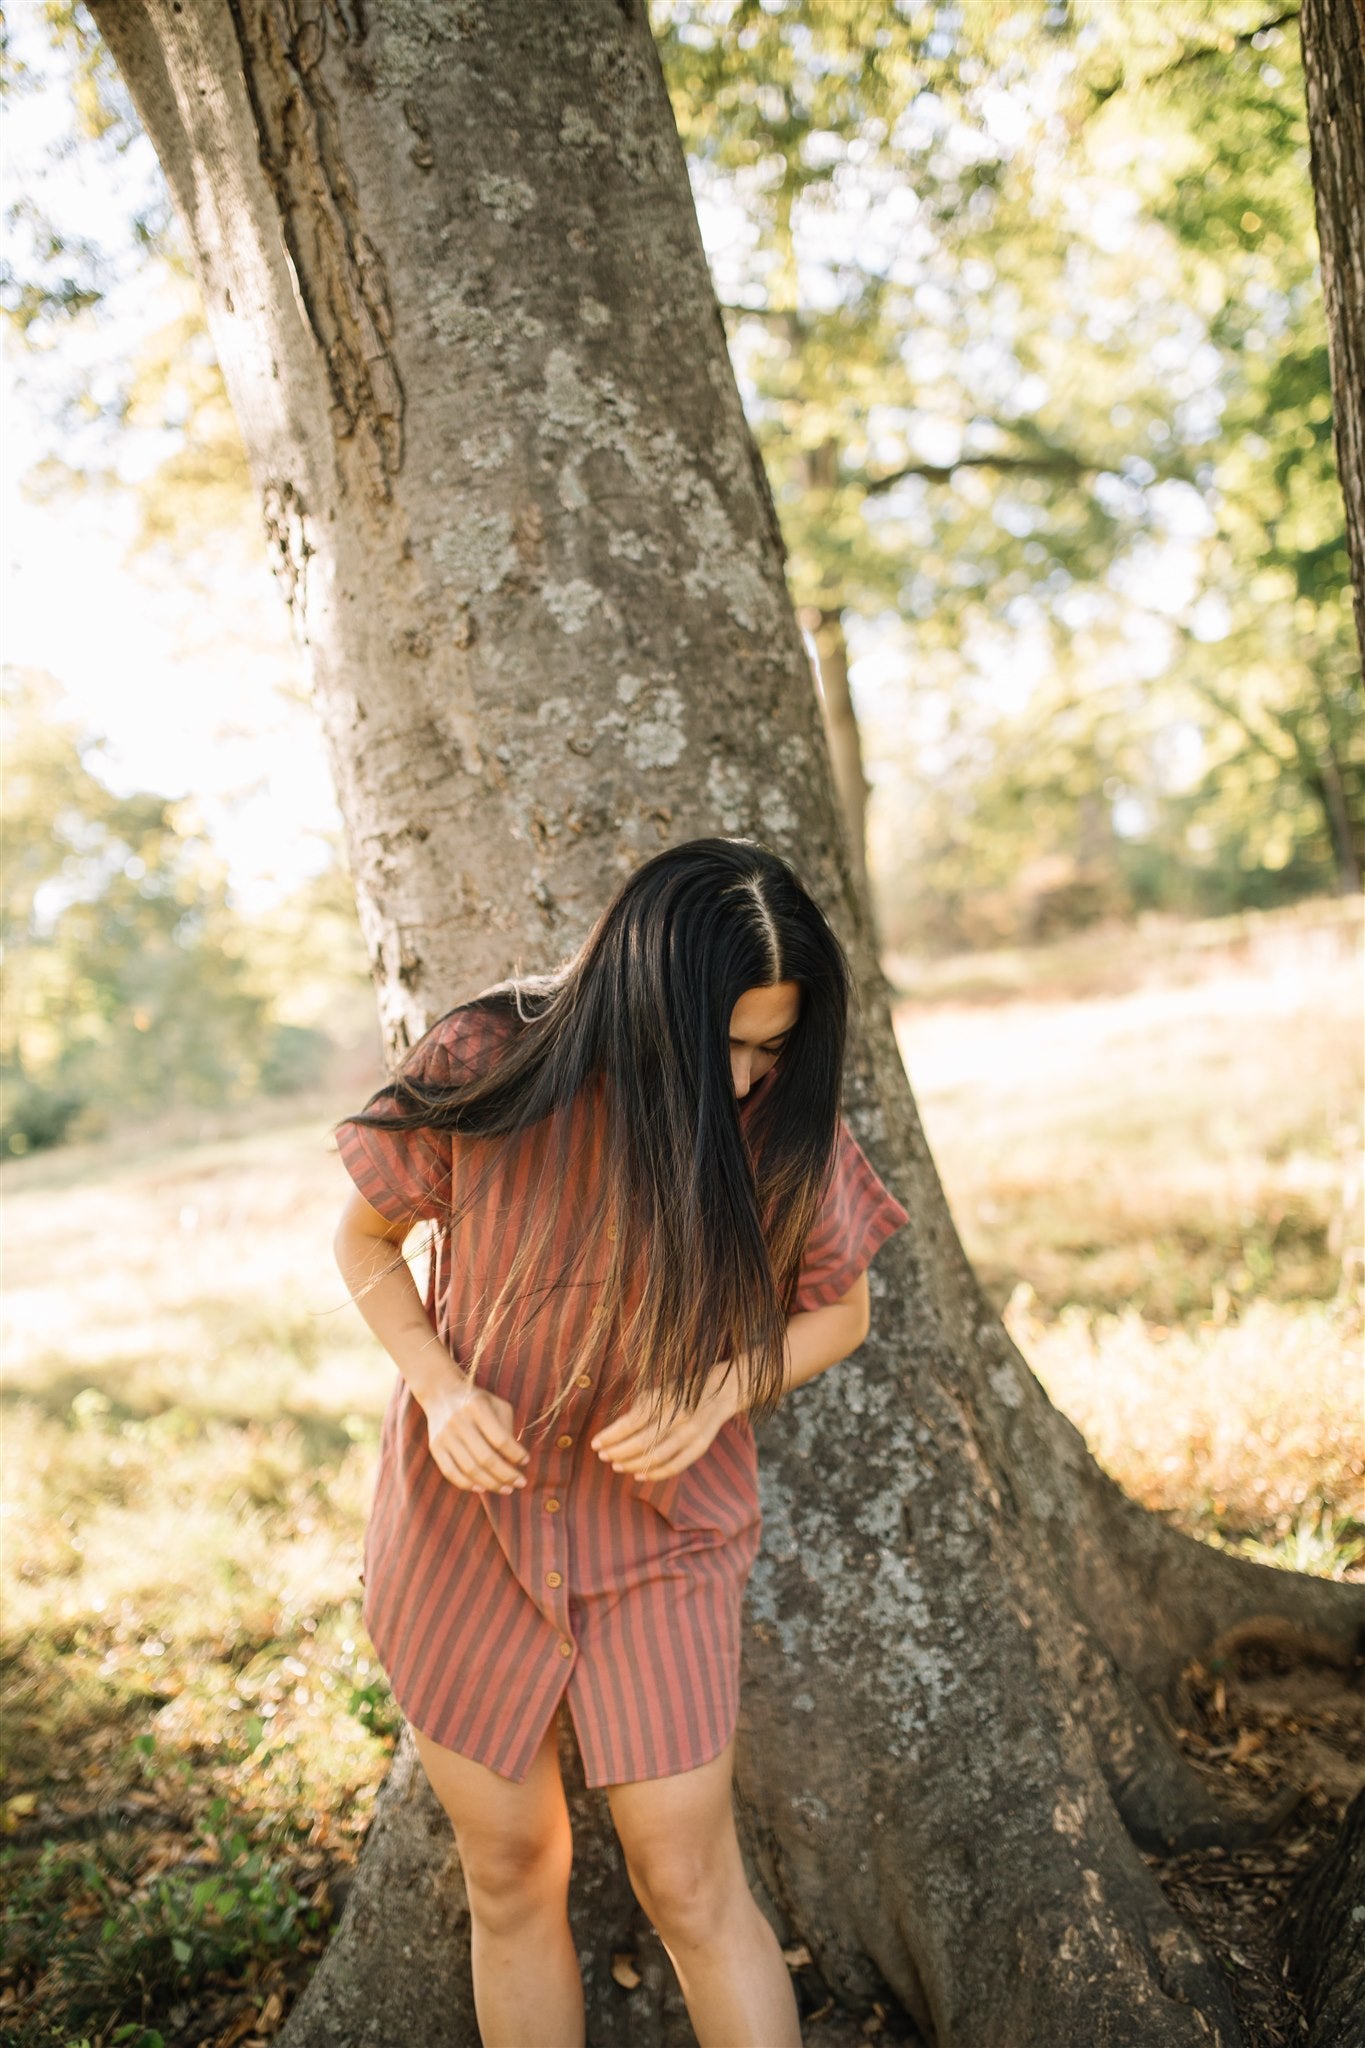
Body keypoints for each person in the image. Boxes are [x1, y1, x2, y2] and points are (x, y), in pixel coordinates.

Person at [331, 835, 909, 2048]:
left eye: (773, 1046)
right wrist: (438, 1390)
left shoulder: (775, 1122)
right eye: (729, 1045)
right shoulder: (490, 1054)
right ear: (649, 994)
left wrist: (715, 1392)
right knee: (509, 1872)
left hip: (662, 1537)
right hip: (463, 1532)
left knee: (691, 1881)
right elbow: (365, 1243)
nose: (751, 1077)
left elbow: (843, 1308)